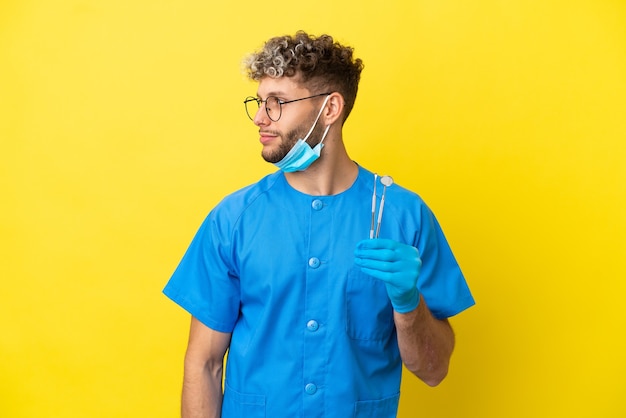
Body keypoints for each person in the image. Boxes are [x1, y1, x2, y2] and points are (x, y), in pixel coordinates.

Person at [163, 31, 475, 418]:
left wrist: (409, 305)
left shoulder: (403, 216)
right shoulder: (234, 219)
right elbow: (204, 365)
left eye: (277, 103)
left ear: (330, 109)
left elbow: (434, 370)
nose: (260, 118)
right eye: (259, 103)